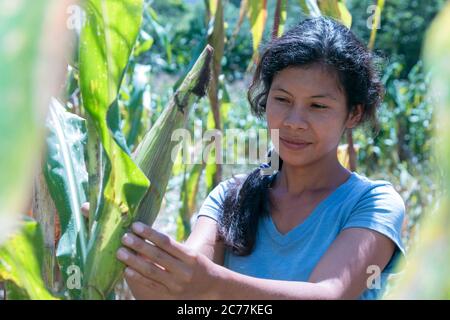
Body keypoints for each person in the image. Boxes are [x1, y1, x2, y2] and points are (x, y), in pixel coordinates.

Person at [111, 16, 405, 300]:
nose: (294, 121)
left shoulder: (373, 203)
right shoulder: (230, 197)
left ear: (353, 113)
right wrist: (121, 241)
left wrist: (211, 282)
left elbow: (328, 294)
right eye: (282, 100)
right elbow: (177, 296)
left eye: (317, 106)